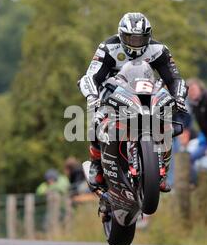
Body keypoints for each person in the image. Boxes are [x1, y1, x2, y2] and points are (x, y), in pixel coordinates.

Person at [77, 12, 188, 193]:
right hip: (114, 93)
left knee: (165, 118)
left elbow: (174, 78)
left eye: (140, 39)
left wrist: (180, 97)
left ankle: (161, 172)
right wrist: (92, 96)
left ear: (149, 37)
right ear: (121, 35)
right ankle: (97, 165)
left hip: (146, 92)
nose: (135, 44)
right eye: (130, 38)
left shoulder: (159, 50)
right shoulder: (108, 48)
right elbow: (91, 76)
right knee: (97, 119)